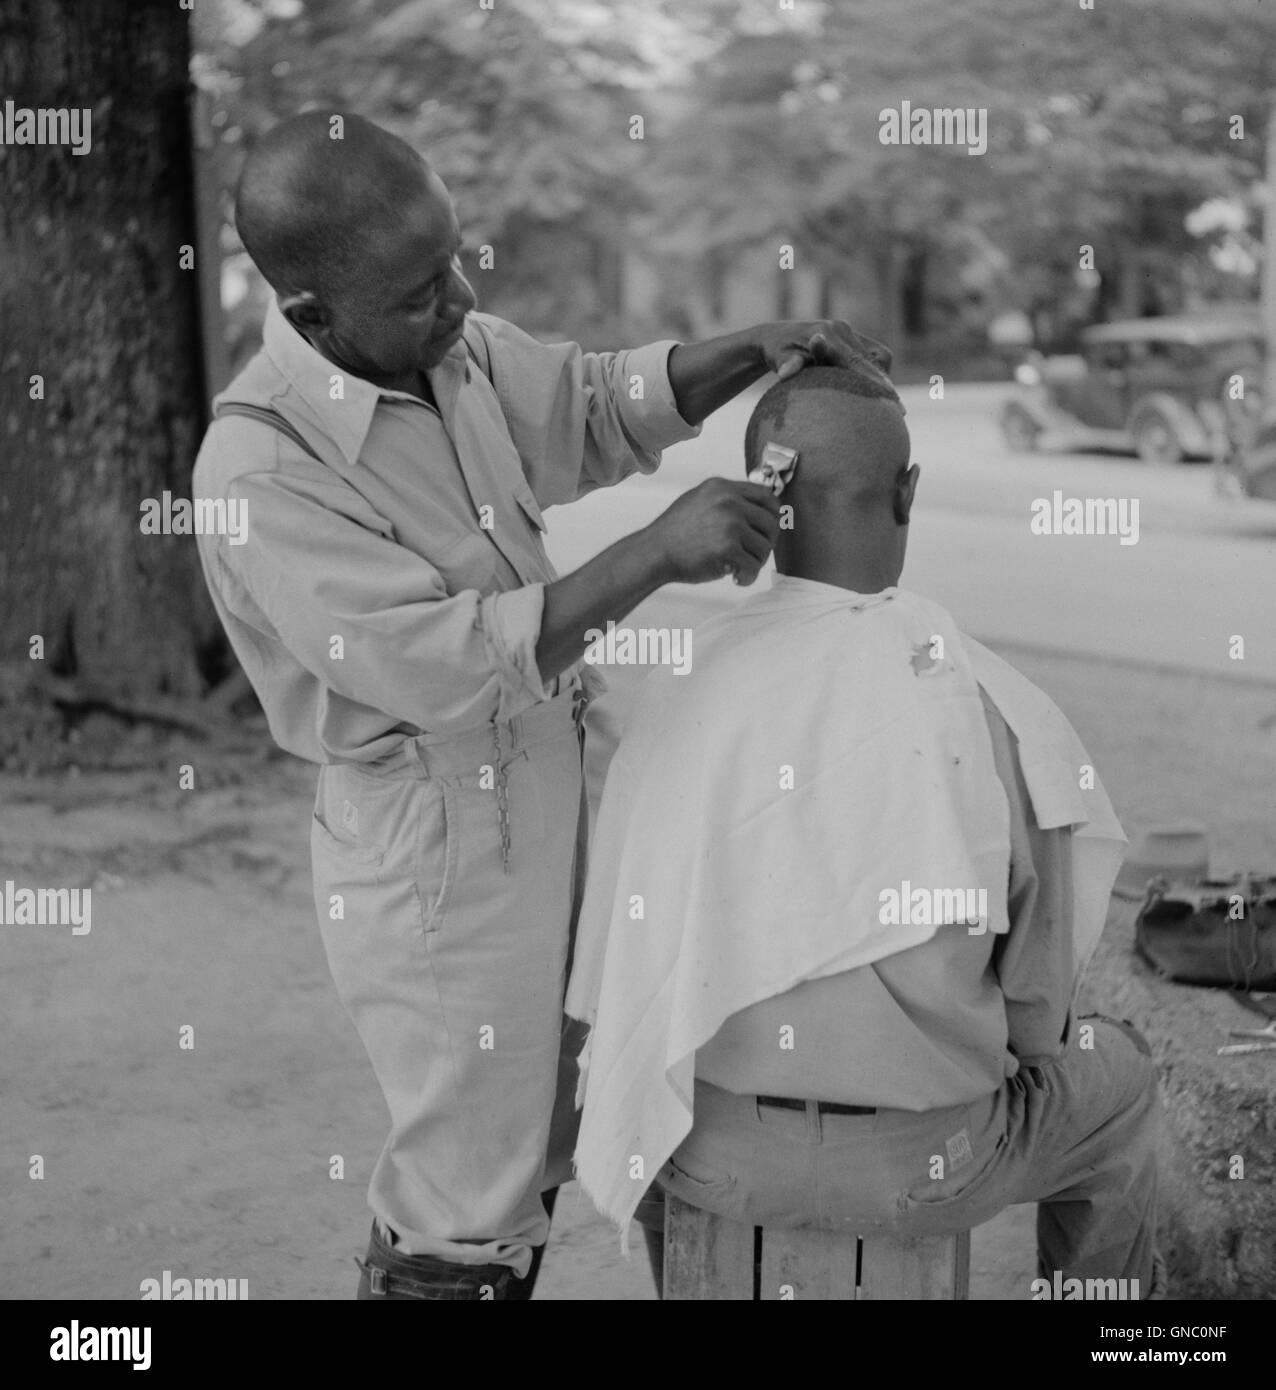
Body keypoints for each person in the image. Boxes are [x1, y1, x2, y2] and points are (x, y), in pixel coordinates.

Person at [192, 110, 892, 1300]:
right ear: (312, 316)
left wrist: (751, 350)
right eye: (423, 291)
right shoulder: (260, 471)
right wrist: (655, 554)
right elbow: (446, 662)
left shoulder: (442, 348)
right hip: (435, 853)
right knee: (470, 1183)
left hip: (549, 781)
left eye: (458, 262)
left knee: (564, 1119)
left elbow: (590, 402)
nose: (461, 302)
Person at [567, 364, 1166, 1299]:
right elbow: (1039, 1017)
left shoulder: (677, 688)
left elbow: (628, 968)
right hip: (926, 1166)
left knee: (645, 1088)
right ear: (909, 492)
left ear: (767, 494)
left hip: (712, 1155)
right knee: (1118, 1080)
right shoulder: (985, 702)